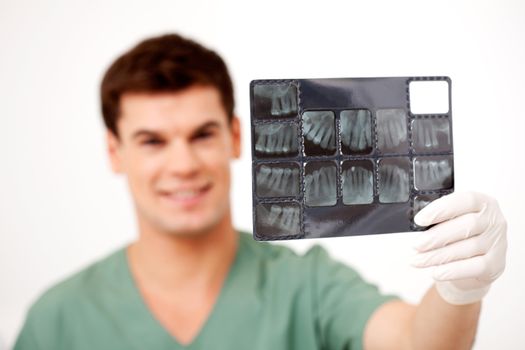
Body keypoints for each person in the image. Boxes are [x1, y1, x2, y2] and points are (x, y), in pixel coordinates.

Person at [14, 33, 507, 350]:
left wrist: (461, 289)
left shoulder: (308, 286)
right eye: (153, 141)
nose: (182, 165)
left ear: (233, 136)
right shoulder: (58, 320)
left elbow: (416, 344)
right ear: (115, 151)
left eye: (202, 134)